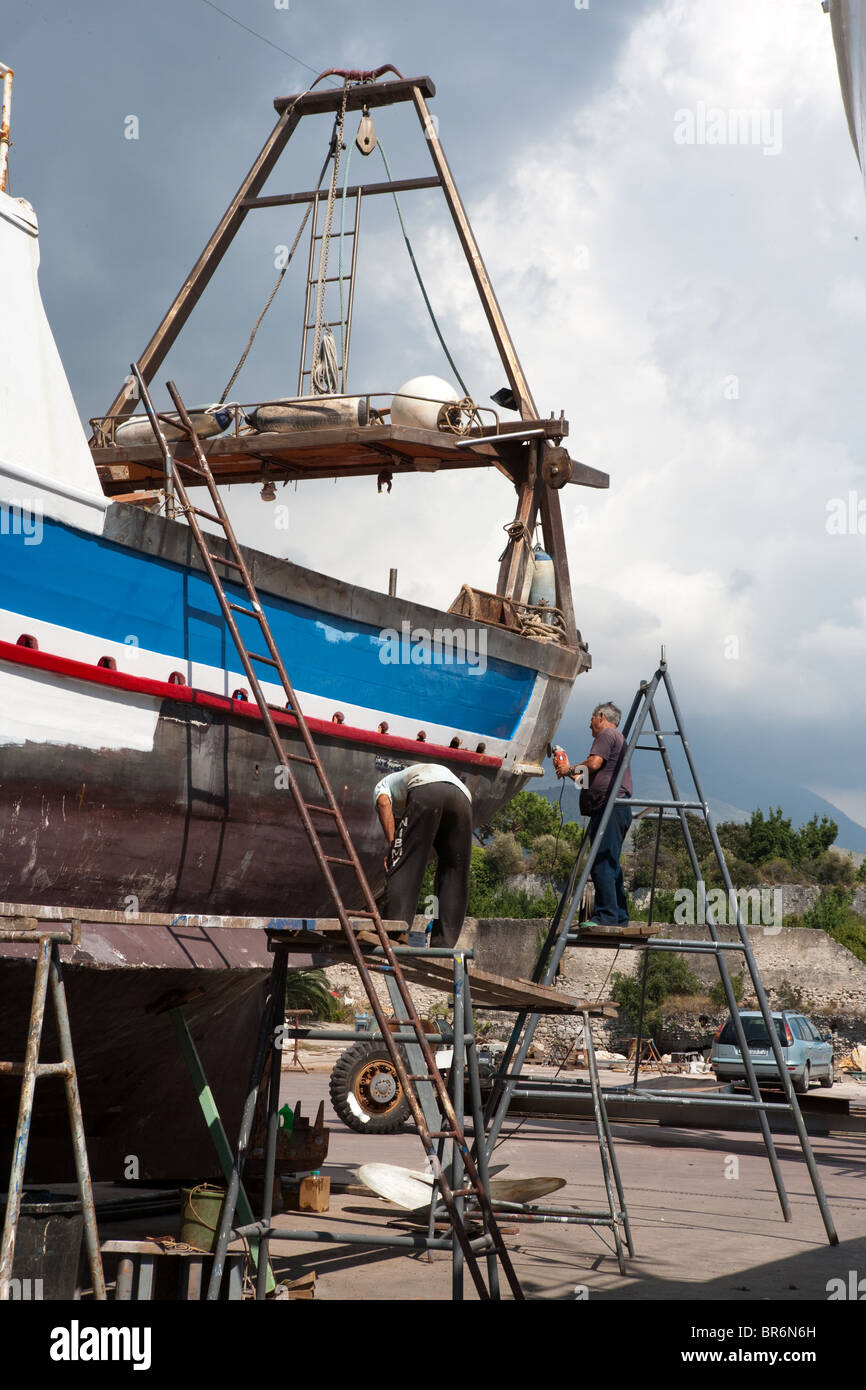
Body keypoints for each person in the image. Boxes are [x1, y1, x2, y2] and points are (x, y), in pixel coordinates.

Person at [374, 763, 473, 948]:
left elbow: (383, 803)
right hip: (462, 798)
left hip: (428, 790)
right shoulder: (409, 778)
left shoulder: (383, 785)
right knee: (454, 871)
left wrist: (394, 848)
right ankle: (444, 942)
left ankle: (396, 928)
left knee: (404, 864)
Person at [555, 701, 632, 927]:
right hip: (615, 807)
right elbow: (586, 779)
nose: (590, 726)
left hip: (610, 807)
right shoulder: (617, 741)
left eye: (591, 720)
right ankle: (619, 916)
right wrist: (568, 770)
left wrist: (567, 769)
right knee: (610, 862)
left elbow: (594, 763)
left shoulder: (607, 735)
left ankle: (606, 916)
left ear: (600, 716)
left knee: (601, 863)